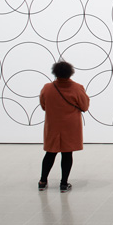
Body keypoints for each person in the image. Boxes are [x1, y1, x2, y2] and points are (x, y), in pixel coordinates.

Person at [38, 61, 89, 192]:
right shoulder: (77, 88)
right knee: (67, 154)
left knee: (50, 153)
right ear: (70, 72)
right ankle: (63, 184)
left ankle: (43, 181)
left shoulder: (47, 88)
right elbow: (84, 106)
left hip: (53, 125)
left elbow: (44, 105)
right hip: (70, 126)